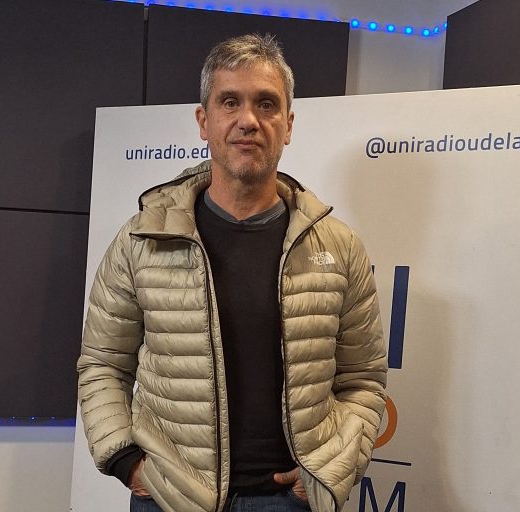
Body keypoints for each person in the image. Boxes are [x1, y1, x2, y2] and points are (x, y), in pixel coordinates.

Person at [77, 33, 388, 512]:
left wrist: (329, 469)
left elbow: (363, 379)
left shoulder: (338, 246)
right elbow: (102, 363)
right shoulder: (141, 240)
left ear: (288, 125)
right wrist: (127, 462)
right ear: (204, 121)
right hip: (171, 499)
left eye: (266, 104)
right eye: (229, 102)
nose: (248, 120)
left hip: (289, 501)